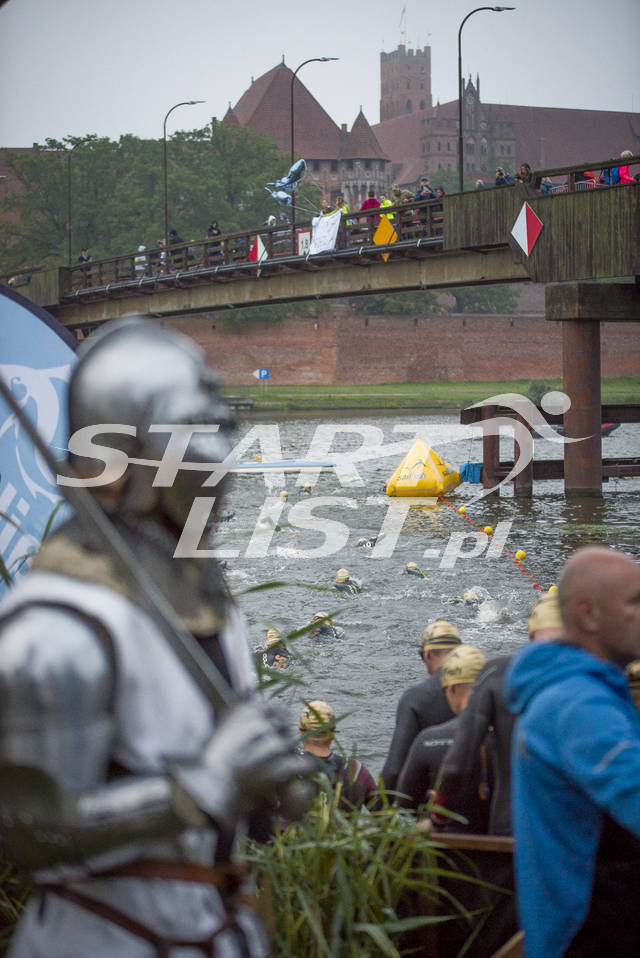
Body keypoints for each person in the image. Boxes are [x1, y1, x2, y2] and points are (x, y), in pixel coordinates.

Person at [0, 319, 310, 958]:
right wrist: (203, 786)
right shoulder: (56, 627)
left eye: (220, 427)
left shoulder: (206, 596)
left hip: (213, 929)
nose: (217, 453)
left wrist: (261, 777)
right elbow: (33, 833)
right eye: (194, 430)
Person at [505, 546, 640, 958]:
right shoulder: (579, 704)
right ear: (589, 615)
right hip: (590, 933)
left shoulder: (575, 689)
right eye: (635, 602)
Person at [432, 591, 563, 837]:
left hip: (510, 824)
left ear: (530, 633)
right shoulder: (597, 676)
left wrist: (436, 820)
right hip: (573, 831)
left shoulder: (497, 674)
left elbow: (457, 763)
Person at [395, 645, 487, 823]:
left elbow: (405, 808)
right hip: (505, 838)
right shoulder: (508, 736)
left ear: (450, 689)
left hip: (443, 837)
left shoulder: (428, 741)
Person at [381, 620, 462, 792]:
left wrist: (381, 805)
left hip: (434, 797)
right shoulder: (484, 689)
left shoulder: (416, 698)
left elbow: (393, 771)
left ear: (427, 654)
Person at [299, 701, 378, 810]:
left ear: (301, 733)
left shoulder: (285, 771)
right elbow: (384, 814)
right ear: (333, 733)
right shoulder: (356, 771)